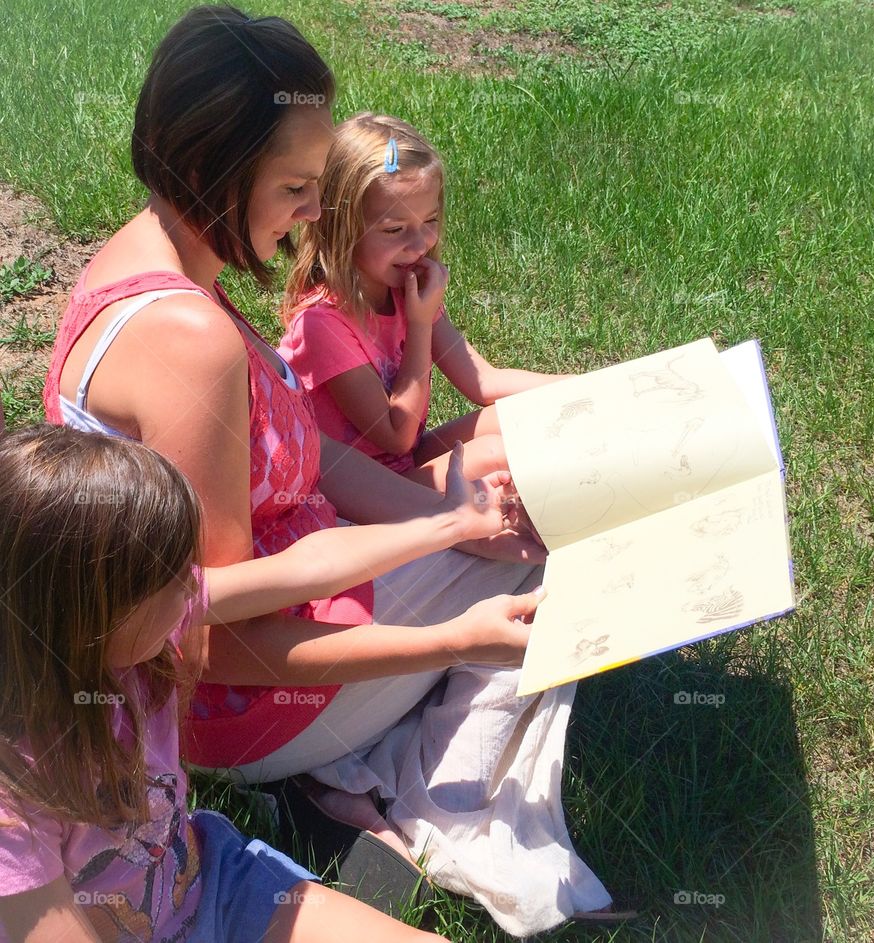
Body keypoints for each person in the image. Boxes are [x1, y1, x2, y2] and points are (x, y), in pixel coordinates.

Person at [42, 5, 614, 934]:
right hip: (246, 713)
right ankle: (429, 792)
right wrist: (454, 636)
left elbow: (309, 472)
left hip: (275, 632)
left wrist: (448, 516)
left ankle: (358, 764)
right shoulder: (192, 344)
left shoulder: (138, 261)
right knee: (548, 553)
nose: (316, 213)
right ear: (211, 171)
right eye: (296, 187)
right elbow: (221, 639)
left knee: (508, 505)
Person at [0, 424, 447, 943]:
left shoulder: (130, 638)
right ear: (85, 613)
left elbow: (310, 569)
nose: (196, 587)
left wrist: (455, 526)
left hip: (219, 884)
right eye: (172, 578)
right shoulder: (15, 802)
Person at [279, 112, 566, 489]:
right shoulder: (322, 324)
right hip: (353, 495)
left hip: (403, 466)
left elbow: (483, 382)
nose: (419, 245)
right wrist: (418, 324)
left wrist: (594, 384)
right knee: (492, 454)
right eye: (395, 229)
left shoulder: (405, 289)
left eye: (429, 221)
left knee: (523, 414)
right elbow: (397, 433)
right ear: (341, 228)